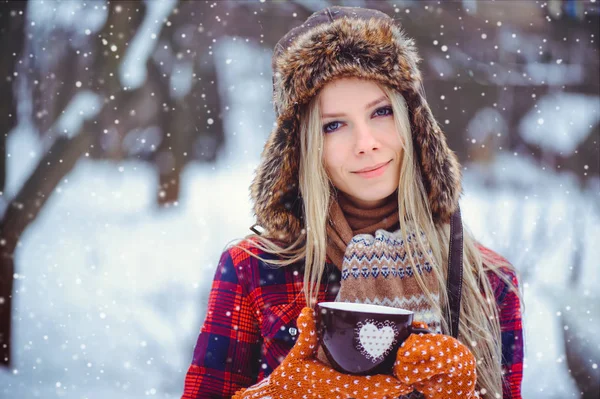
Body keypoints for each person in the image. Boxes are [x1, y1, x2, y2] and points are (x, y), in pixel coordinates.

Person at [182, 5, 523, 399]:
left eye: (380, 112)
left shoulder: (489, 283)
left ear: (414, 123)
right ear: (304, 148)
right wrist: (276, 395)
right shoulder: (255, 271)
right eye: (334, 125)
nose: (366, 143)